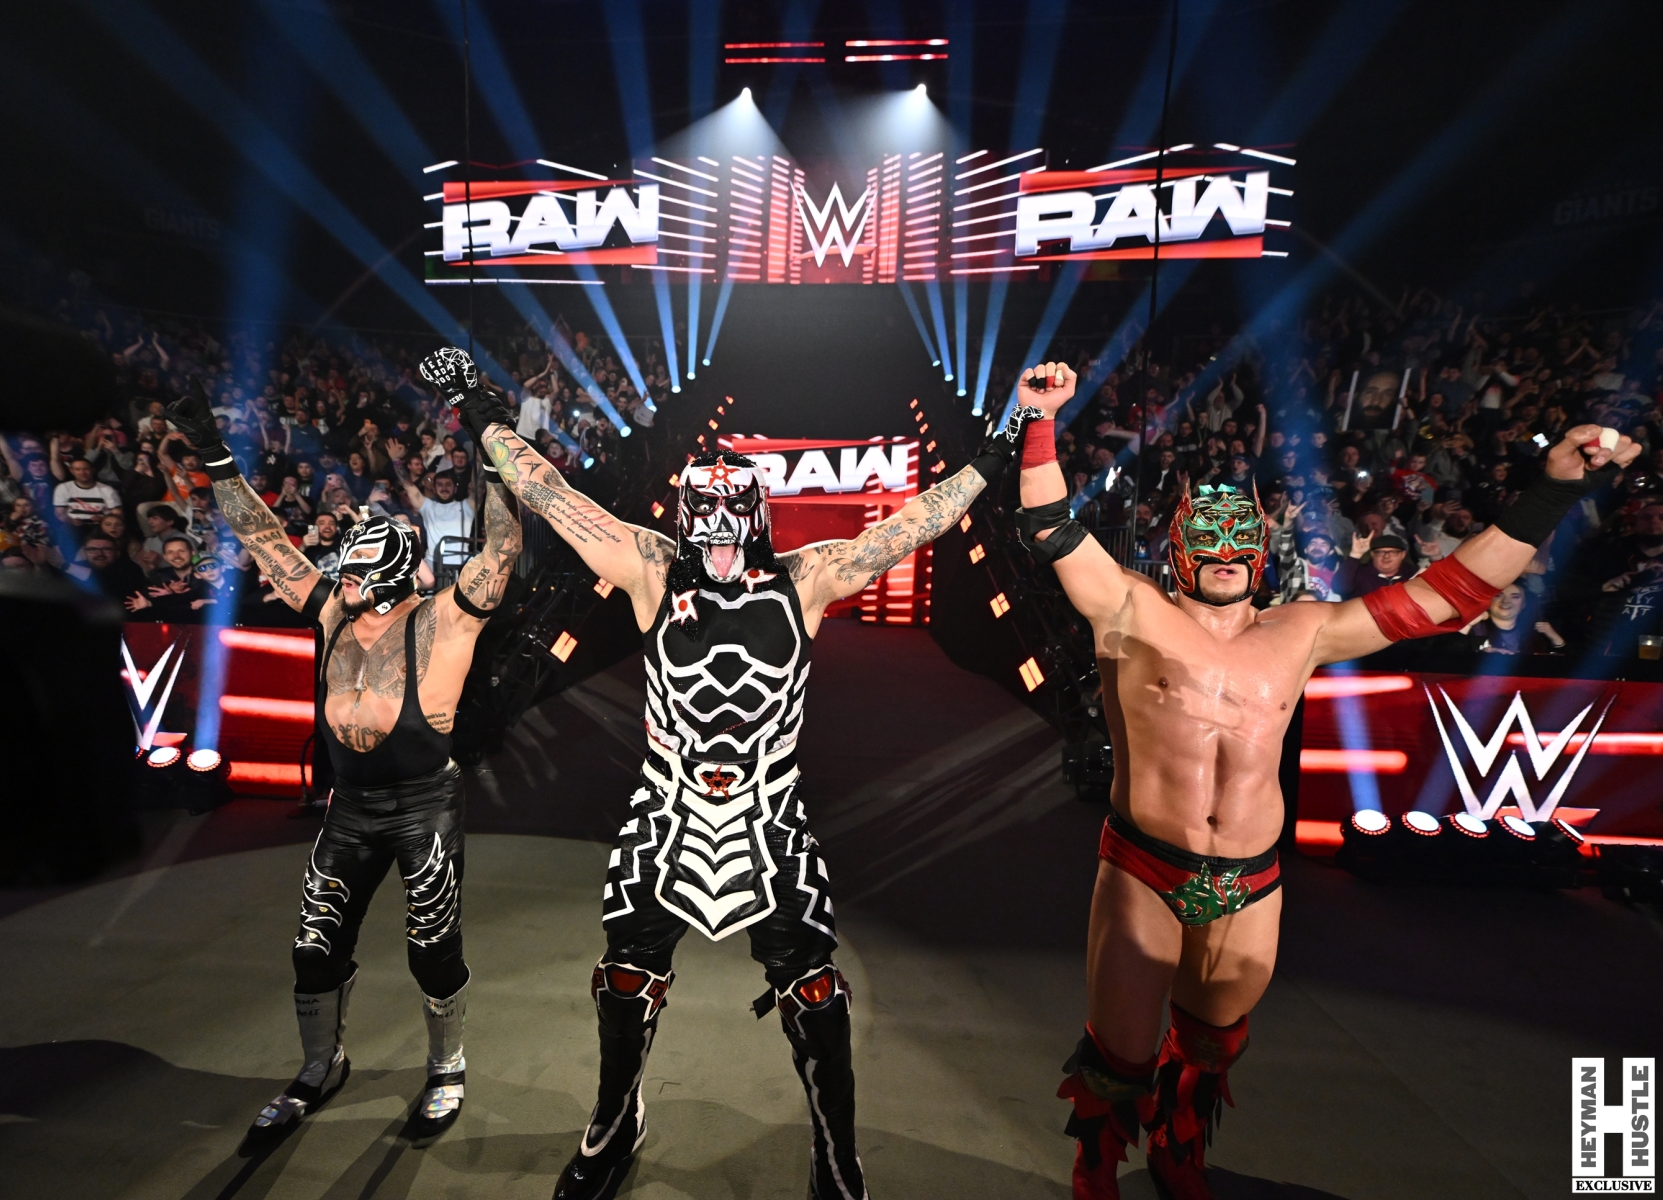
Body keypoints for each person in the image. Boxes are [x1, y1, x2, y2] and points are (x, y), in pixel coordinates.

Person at [1008, 360, 1636, 1200]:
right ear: (1178, 545)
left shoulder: (1302, 630)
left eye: (1238, 538)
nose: (1224, 552)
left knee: (1211, 1041)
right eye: (1207, 538)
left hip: (1251, 876)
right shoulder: (1129, 608)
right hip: (1145, 866)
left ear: (1262, 548)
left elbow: (1448, 596)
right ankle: (1095, 1169)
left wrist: (1551, 491)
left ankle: (1177, 1147)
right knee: (1119, 1049)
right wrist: (1040, 418)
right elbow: (1051, 524)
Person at [427, 342, 1042, 1200]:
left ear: (757, 514)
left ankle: (837, 1156)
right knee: (625, 978)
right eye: (704, 512)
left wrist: (998, 450)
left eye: (731, 513)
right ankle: (613, 1123)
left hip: (769, 810)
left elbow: (913, 523)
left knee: (816, 991)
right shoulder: (649, 565)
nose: (717, 530)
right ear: (686, 513)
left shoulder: (806, 576)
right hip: (667, 804)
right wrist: (484, 412)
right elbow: (552, 495)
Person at [162, 378, 521, 1146]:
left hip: (424, 803)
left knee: (433, 947)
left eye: (356, 575)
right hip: (351, 807)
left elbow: (502, 549)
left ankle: (447, 1065)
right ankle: (321, 1065)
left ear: (389, 581)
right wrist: (213, 455)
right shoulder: (330, 611)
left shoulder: (444, 621)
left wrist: (490, 443)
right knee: (313, 948)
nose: (342, 582)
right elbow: (264, 540)